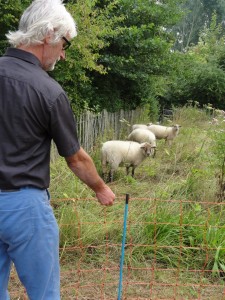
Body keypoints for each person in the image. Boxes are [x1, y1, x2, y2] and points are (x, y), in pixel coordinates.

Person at [0, 0, 115, 299]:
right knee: (43, 292)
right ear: (49, 34)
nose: (63, 55)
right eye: (65, 44)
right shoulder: (48, 91)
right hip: (24, 208)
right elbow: (75, 159)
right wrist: (101, 188)